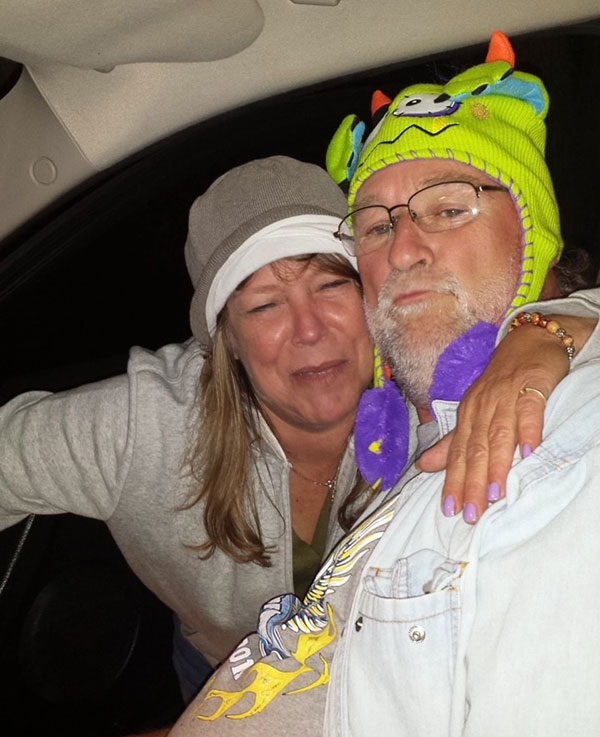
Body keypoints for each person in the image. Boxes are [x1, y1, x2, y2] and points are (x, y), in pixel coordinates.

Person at [168, 33, 600, 737]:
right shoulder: (402, 445)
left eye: (450, 208)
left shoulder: (562, 457)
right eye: (374, 227)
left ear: (535, 235)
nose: (402, 249)